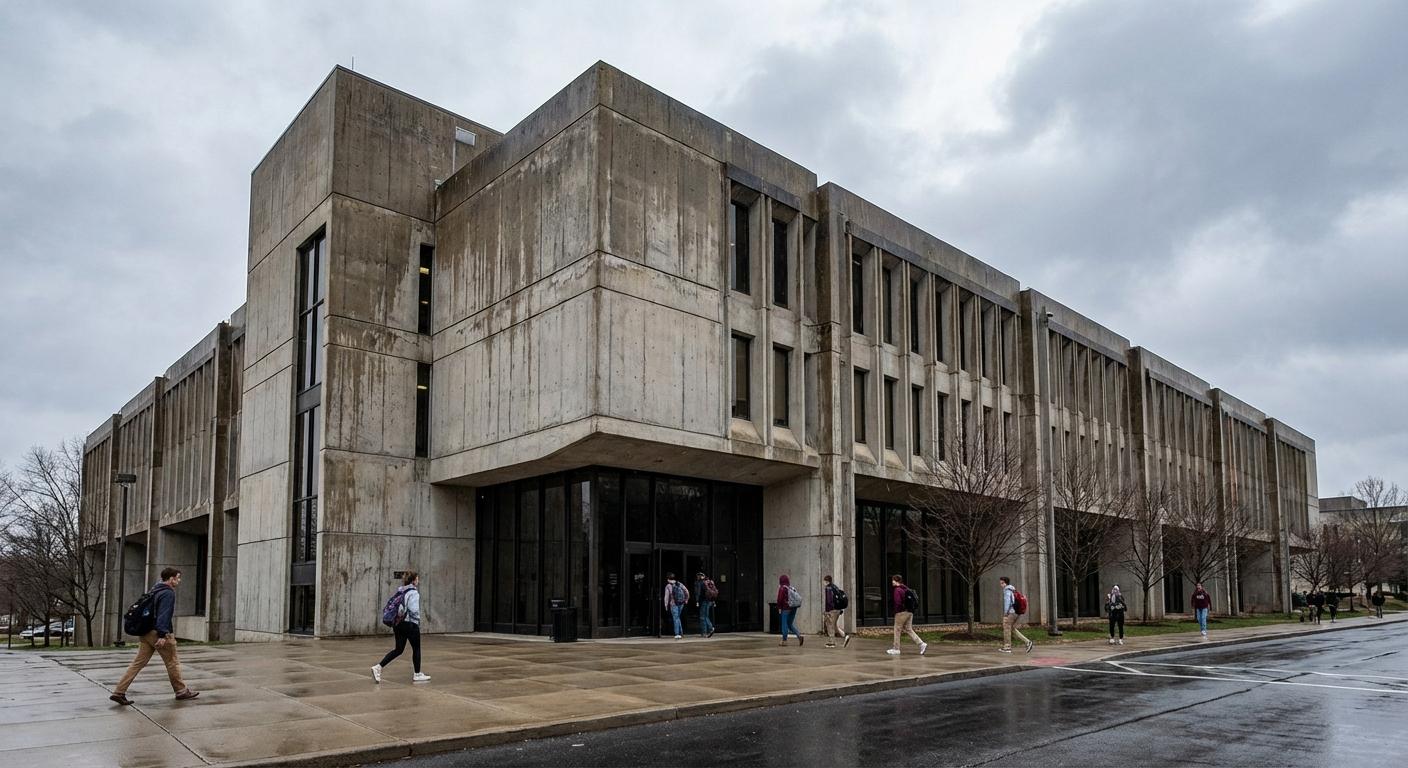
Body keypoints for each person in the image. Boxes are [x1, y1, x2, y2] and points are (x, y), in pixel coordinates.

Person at [109, 567, 199, 705]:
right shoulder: (168, 593)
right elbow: (164, 614)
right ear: (171, 578)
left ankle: (119, 692)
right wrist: (163, 635)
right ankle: (181, 691)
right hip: (157, 633)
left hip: (145, 633)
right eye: (178, 578)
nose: (179, 581)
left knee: (137, 663)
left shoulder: (154, 590)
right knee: (172, 662)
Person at [372, 571, 430, 683]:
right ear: (413, 580)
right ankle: (417, 674)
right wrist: (416, 622)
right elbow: (413, 610)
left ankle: (378, 667)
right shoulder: (413, 593)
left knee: (398, 649)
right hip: (410, 624)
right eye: (417, 579)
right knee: (416, 648)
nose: (418, 581)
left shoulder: (401, 591)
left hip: (398, 624)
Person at [885, 574, 927, 656]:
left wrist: (896, 612)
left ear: (896, 580)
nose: (892, 581)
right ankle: (921, 644)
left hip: (901, 613)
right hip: (910, 612)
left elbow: (898, 602)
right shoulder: (905, 588)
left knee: (897, 630)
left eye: (893, 580)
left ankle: (896, 649)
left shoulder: (897, 590)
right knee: (908, 629)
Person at [999, 576, 1033, 654]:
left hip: (1011, 612)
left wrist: (1005, 613)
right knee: (1011, 628)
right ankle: (1028, 642)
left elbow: (1008, 602)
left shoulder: (1007, 590)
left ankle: (1007, 647)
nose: (1001, 585)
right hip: (1016, 612)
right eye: (1000, 583)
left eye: (1002, 583)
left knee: (1007, 628)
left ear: (1005, 583)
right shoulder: (1013, 589)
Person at [822, 575, 852, 648]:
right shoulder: (835, 587)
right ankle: (845, 636)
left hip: (832, 610)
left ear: (827, 581)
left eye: (824, 581)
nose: (823, 583)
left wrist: (827, 611)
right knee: (834, 625)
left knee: (829, 625)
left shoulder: (828, 588)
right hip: (838, 609)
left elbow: (829, 601)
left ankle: (831, 642)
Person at [776, 574, 803, 646]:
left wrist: (779, 607)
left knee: (784, 624)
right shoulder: (791, 588)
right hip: (794, 608)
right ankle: (799, 635)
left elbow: (780, 599)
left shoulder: (782, 588)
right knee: (790, 624)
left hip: (785, 608)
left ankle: (784, 641)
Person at [663, 572, 689, 640]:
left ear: (668, 579)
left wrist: (666, 605)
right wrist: (686, 599)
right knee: (677, 617)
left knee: (675, 618)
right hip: (681, 603)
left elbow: (666, 597)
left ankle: (677, 634)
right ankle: (681, 632)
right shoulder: (679, 583)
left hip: (673, 604)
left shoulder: (668, 586)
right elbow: (686, 591)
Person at [694, 571, 716, 638]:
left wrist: (697, 601)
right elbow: (713, 591)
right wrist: (713, 601)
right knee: (706, 616)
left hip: (704, 601)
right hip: (709, 601)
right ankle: (707, 631)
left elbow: (697, 593)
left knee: (702, 617)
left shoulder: (699, 583)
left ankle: (707, 630)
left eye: (698, 576)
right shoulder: (709, 581)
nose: (698, 577)